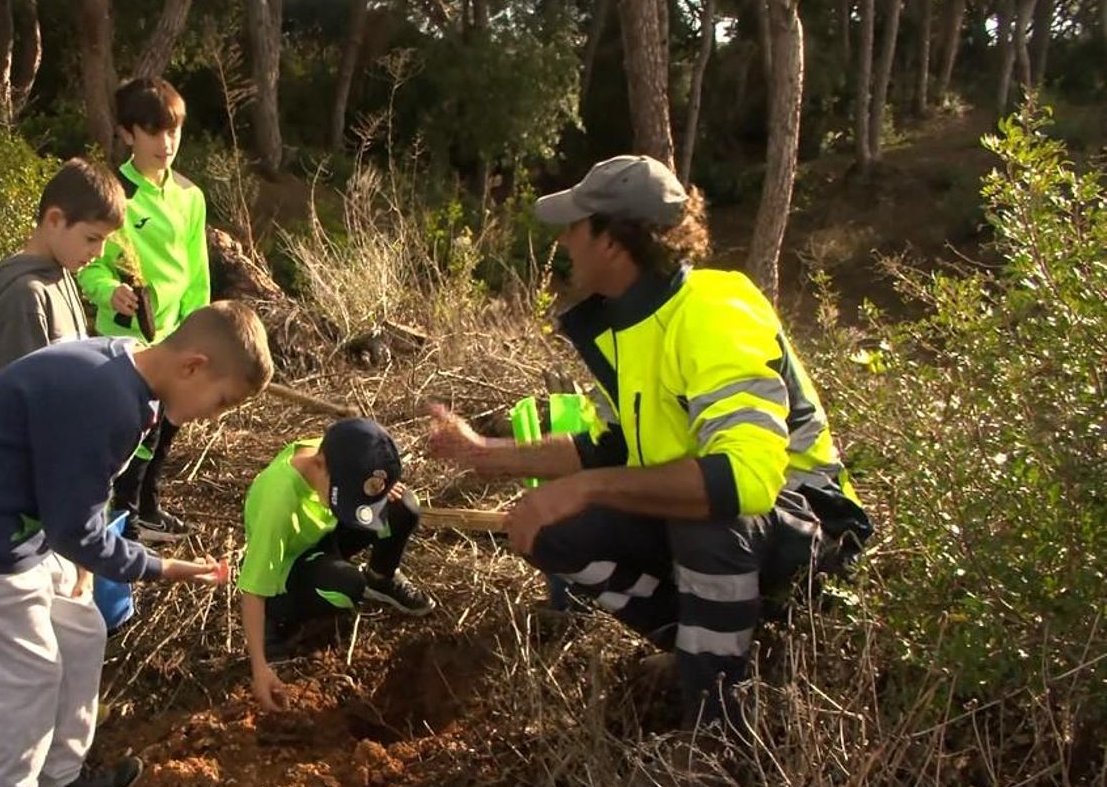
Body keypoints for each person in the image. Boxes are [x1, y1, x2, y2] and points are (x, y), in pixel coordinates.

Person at [430, 155, 871, 737]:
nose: (564, 240)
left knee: (705, 512)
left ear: (613, 241)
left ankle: (720, 735)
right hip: (746, 535)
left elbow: (745, 481)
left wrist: (583, 489)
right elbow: (611, 449)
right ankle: (704, 651)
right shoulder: (633, 326)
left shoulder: (714, 310)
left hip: (812, 529)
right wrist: (484, 453)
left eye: (576, 226)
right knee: (550, 528)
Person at [0, 301, 273, 787]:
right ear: (193, 366)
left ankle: (60, 778)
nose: (214, 415)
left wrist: (85, 556)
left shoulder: (131, 373)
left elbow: (82, 494)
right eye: (222, 401)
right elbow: (76, 527)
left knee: (82, 630)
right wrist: (163, 568)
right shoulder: (108, 400)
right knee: (27, 675)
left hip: (29, 525)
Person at [78, 77, 211, 543]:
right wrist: (108, 291)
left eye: (173, 131)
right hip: (126, 340)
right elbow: (88, 265)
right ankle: (122, 512)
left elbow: (197, 274)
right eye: (154, 132)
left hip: (176, 335)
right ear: (128, 133)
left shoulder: (191, 197)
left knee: (166, 424)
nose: (166, 143)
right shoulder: (115, 193)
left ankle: (146, 505)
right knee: (133, 431)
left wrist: (201, 329)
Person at [238, 418, 437, 712]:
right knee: (347, 589)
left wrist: (380, 489)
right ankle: (277, 619)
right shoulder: (278, 501)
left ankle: (380, 578)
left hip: (322, 535)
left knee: (402, 507)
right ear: (318, 465)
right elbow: (251, 589)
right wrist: (259, 666)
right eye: (342, 497)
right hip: (289, 563)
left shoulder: (343, 454)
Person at [0, 158, 125, 372]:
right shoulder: (23, 294)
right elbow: (25, 394)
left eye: (105, 241)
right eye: (92, 239)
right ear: (54, 220)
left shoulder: (61, 272)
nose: (99, 252)